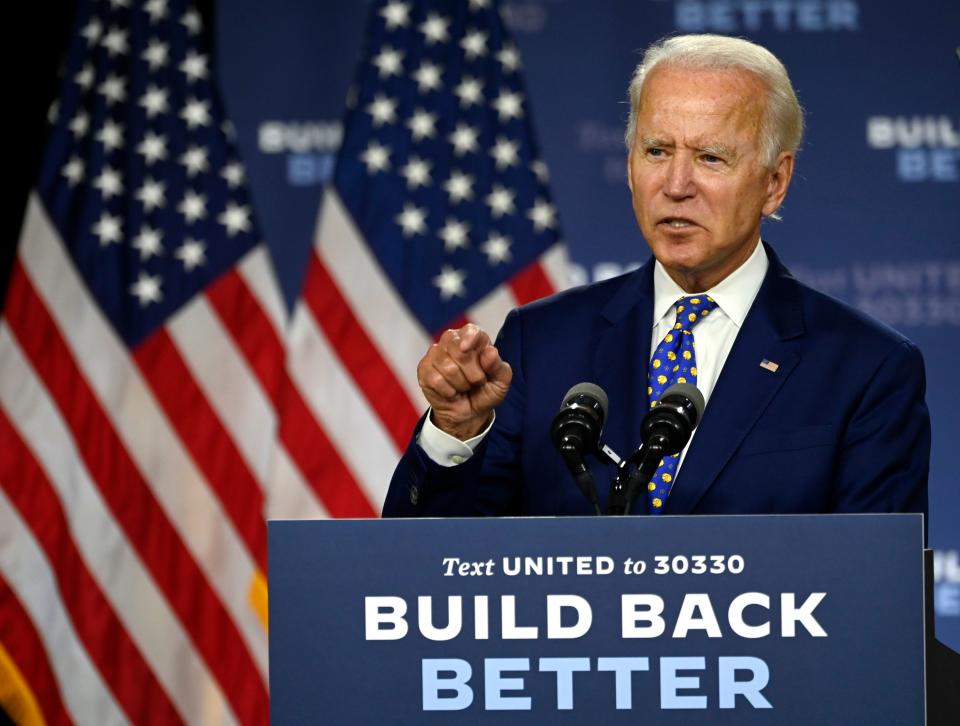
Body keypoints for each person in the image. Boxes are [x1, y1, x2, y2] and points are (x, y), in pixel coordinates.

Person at [381, 34, 930, 519]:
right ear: (628, 165)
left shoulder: (865, 368)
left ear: (774, 182)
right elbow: (435, 573)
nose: (676, 184)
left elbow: (875, 594)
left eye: (711, 157)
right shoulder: (540, 342)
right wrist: (454, 431)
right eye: (656, 150)